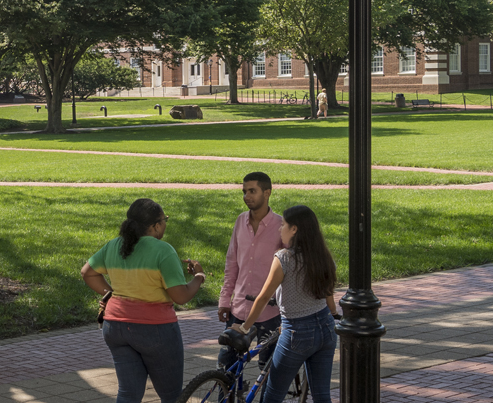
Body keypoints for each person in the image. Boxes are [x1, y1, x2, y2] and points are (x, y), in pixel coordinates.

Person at [82, 198, 205, 403]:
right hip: (155, 331)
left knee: (129, 394)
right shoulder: (163, 250)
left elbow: (87, 273)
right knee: (172, 396)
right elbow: (181, 297)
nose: (165, 224)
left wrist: (112, 294)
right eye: (164, 220)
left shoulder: (114, 245)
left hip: (116, 327)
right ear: (155, 226)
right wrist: (199, 277)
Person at [232, 205, 340, 403]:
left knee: (273, 395)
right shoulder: (324, 257)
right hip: (326, 328)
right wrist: (333, 314)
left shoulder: (285, 258)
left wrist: (245, 327)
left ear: (295, 229)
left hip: (296, 332)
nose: (279, 229)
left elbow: (264, 297)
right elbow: (328, 295)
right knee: (322, 395)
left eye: (283, 225)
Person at [218, 172, 286, 370]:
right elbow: (231, 264)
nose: (247, 196)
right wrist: (224, 301)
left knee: (267, 372)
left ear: (267, 193)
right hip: (238, 310)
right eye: (244, 191)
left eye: (252, 191)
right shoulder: (240, 221)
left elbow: (289, 268)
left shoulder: (281, 225)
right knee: (225, 369)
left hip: (270, 312)